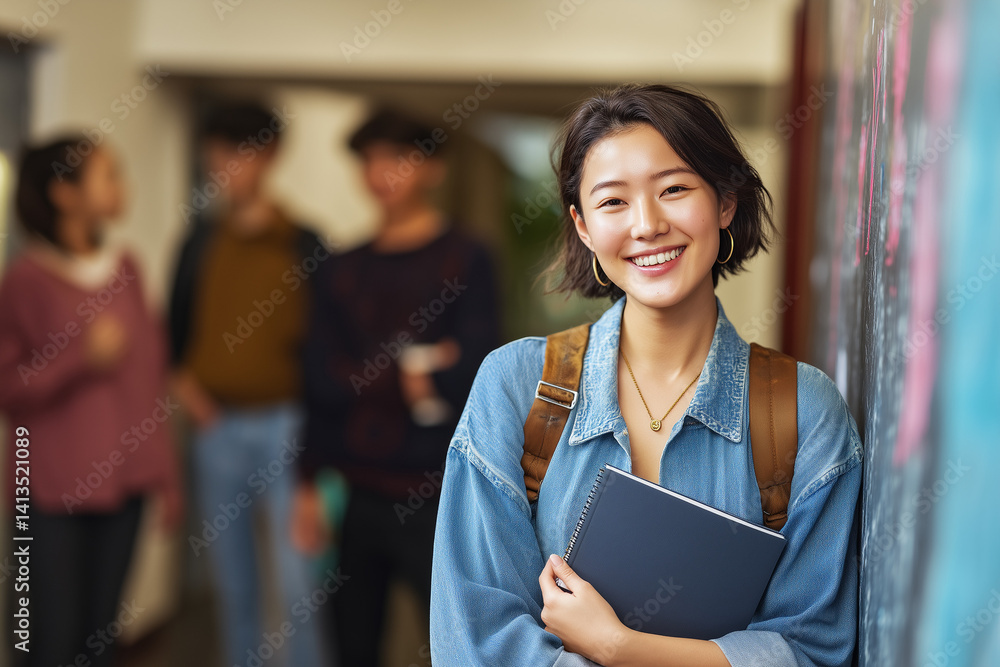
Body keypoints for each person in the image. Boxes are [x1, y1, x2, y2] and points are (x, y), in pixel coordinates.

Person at [430, 84, 862, 667]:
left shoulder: (802, 409)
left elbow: (814, 648)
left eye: (675, 189)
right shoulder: (516, 384)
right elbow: (474, 637)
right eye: (613, 202)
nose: (648, 224)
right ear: (583, 227)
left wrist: (620, 648)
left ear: (725, 202)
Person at [292, 108, 500, 666]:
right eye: (370, 160)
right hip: (354, 487)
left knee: (456, 643)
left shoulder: (466, 258)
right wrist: (308, 483)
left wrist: (366, 375)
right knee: (351, 642)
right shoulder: (340, 268)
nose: (382, 173)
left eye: (399, 159)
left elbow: (479, 369)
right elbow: (319, 381)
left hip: (442, 489)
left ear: (432, 169)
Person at [0, 138, 182, 667]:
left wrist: (165, 476)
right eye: (109, 175)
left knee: (99, 641)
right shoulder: (25, 282)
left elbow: (149, 377)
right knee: (42, 640)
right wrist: (78, 358)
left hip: (123, 493)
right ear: (63, 192)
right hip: (47, 495)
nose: (122, 187)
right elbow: (9, 387)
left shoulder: (126, 268)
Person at [168, 103, 326, 667]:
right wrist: (190, 395)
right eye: (216, 154)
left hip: (288, 425)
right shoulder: (199, 242)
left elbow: (324, 343)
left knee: (296, 579)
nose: (225, 166)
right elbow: (174, 333)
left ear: (269, 155)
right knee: (231, 579)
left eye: (239, 152)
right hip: (217, 427)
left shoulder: (304, 244)